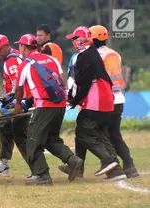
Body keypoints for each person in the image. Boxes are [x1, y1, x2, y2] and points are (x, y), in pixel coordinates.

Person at [59, 25, 139, 179]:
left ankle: (105, 163)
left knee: (86, 131)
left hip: (99, 98)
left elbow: (84, 80)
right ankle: (127, 167)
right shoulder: (114, 54)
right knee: (110, 134)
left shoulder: (89, 55)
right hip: (117, 98)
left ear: (91, 38)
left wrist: (75, 99)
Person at [14, 34, 82, 185]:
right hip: (60, 103)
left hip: (44, 106)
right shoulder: (52, 59)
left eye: (19, 45)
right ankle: (72, 160)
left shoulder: (25, 64)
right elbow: (61, 80)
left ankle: (42, 175)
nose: (19, 48)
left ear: (23, 47)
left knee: (32, 140)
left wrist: (18, 105)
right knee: (51, 138)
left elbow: (19, 88)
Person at [0, 34, 31, 177]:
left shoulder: (11, 61)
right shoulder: (16, 56)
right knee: (4, 126)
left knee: (20, 135)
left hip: (19, 102)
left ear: (7, 46)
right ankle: (3, 165)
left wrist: (6, 98)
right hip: (20, 100)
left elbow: (18, 86)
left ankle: (38, 169)